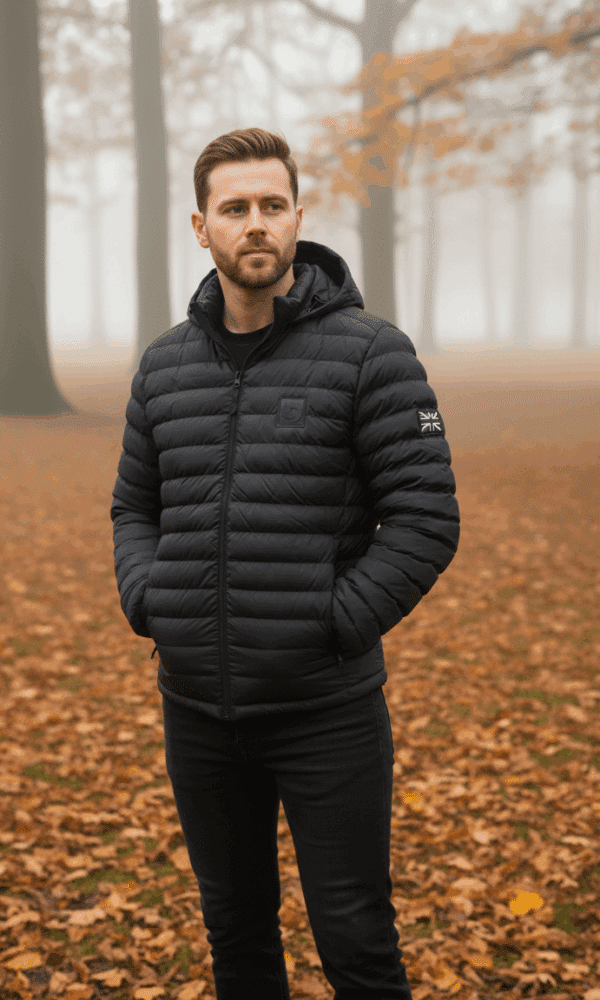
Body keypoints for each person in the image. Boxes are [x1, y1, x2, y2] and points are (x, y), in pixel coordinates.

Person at [111, 126, 460, 1000]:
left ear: (299, 217)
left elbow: (425, 518)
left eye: (273, 204)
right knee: (235, 934)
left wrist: (331, 623)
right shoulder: (163, 368)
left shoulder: (371, 353)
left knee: (357, 942)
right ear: (202, 228)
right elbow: (133, 507)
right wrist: (149, 599)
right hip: (197, 713)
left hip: (325, 715)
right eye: (235, 208)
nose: (256, 223)